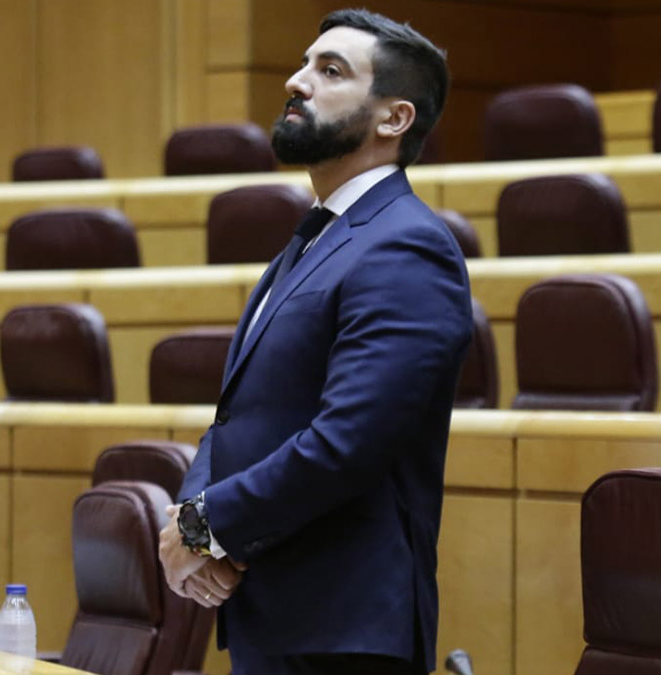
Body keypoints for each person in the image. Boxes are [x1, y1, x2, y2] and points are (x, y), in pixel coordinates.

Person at [158, 9, 472, 675]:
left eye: (330, 71)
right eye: (304, 64)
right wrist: (191, 518)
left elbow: (346, 442)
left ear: (394, 118)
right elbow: (240, 415)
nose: (297, 82)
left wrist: (205, 529)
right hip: (273, 610)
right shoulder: (313, 240)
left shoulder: (407, 245)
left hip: (344, 629)